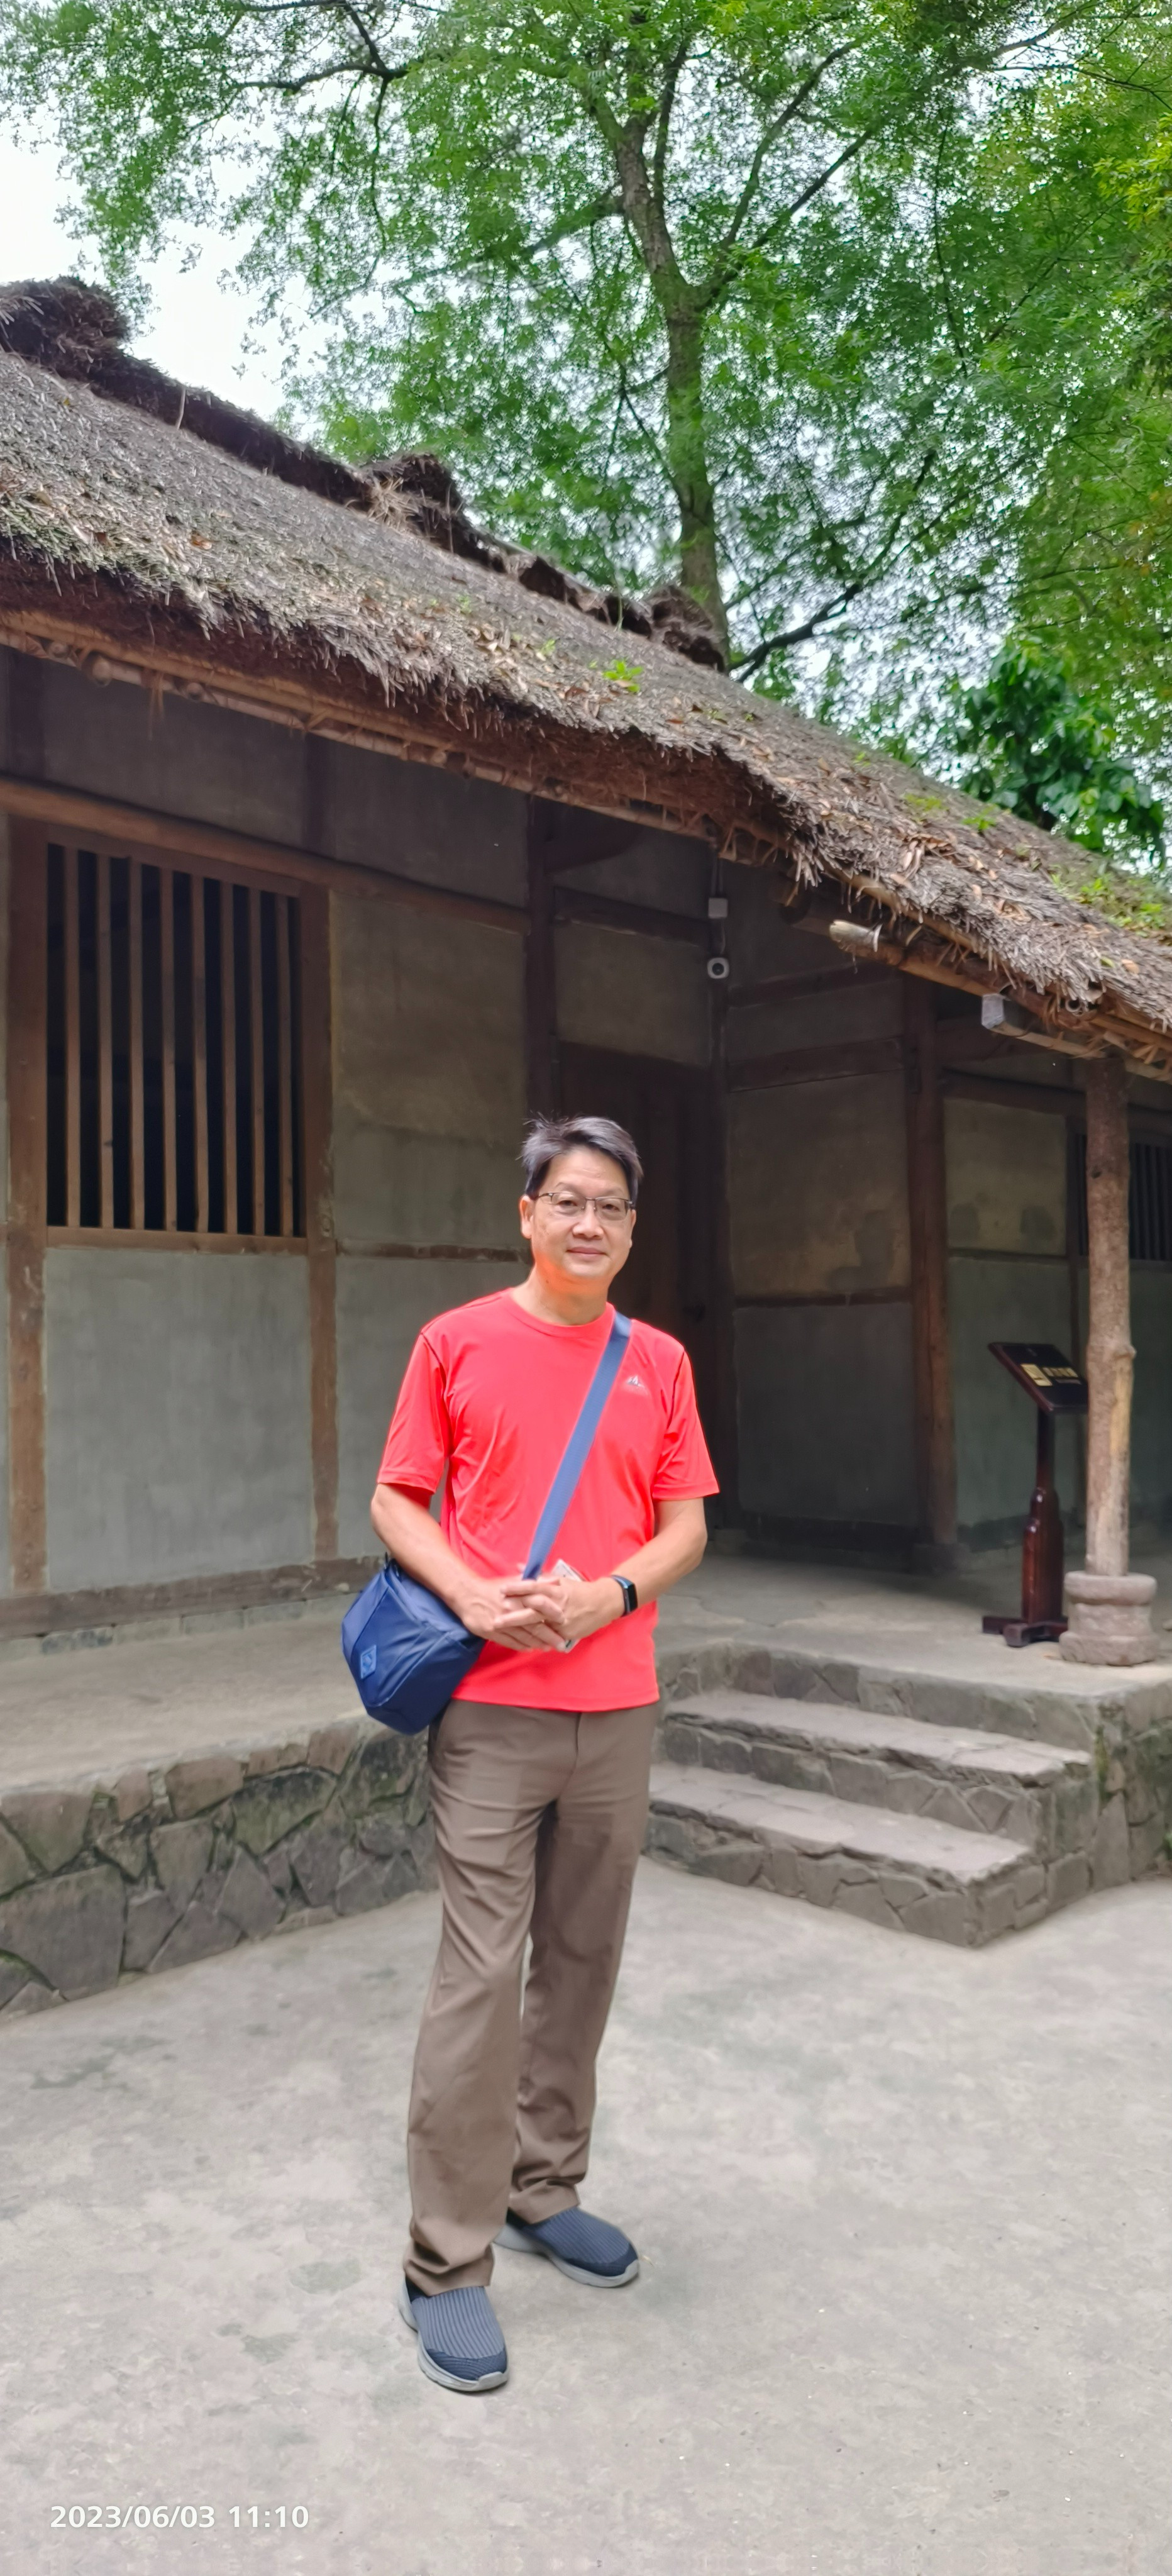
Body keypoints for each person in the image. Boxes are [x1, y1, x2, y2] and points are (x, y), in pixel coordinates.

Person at [371, 1113, 717, 2393]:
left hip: (615, 1700)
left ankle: (540, 2184)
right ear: (525, 1212)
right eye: (567, 1199)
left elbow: (682, 1526)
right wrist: (470, 1592)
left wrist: (608, 1597)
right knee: (480, 1971)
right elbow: (395, 1495)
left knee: (581, 1959)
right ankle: (444, 2261)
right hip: (493, 1710)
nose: (588, 1223)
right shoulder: (455, 1342)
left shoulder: (658, 1360)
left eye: (611, 1206)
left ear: (631, 1228)